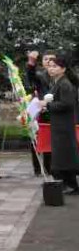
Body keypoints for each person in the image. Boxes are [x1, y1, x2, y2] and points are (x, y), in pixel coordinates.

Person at [43, 53, 79, 193]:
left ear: (63, 69)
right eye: (49, 66)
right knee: (62, 156)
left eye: (55, 66)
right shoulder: (57, 82)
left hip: (64, 127)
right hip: (59, 125)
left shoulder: (64, 84)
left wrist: (47, 105)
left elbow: (67, 104)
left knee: (65, 155)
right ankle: (67, 183)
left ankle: (71, 185)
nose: (51, 69)